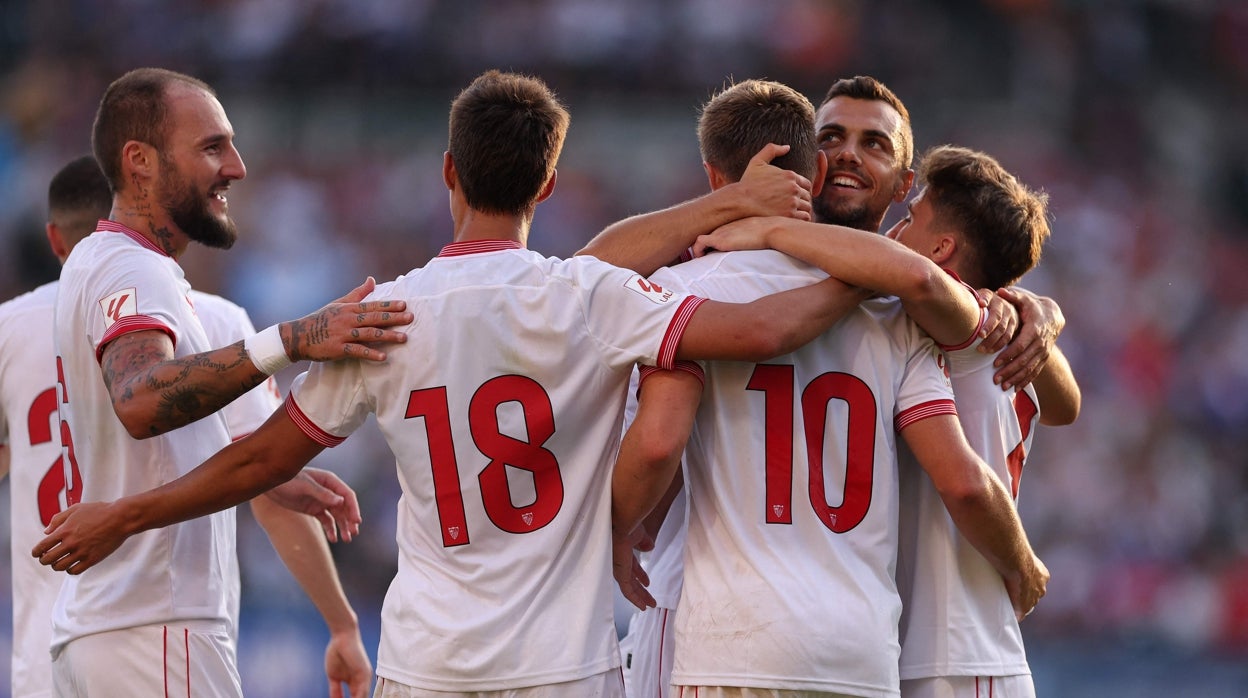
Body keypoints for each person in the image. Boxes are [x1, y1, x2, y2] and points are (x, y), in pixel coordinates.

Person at [32, 69, 858, 698]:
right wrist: (891, 274)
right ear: (547, 186)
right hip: (561, 666)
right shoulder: (589, 298)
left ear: (448, 174)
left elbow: (258, 463)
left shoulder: (383, 315)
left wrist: (129, 513)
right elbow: (763, 330)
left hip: (426, 666)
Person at [608, 77, 1048, 698]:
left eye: (873, 143)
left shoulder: (689, 287)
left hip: (733, 640)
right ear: (809, 168)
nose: (846, 154)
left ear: (903, 188)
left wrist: (618, 525)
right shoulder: (902, 315)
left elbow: (653, 439)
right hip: (836, 644)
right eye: (832, 137)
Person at [31, 67, 410, 697]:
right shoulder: (131, 265)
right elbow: (142, 399)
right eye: (212, 147)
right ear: (140, 163)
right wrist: (289, 340)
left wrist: (276, 475)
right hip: (155, 626)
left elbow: (210, 455)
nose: (235, 167)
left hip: (108, 626)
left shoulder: (126, 271)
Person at [699, 143, 1082, 698]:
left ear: (942, 249)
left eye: (909, 221)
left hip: (959, 652)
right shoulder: (976, 323)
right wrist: (1039, 311)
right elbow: (1066, 407)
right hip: (907, 650)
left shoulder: (972, 322)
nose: (893, 236)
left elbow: (969, 482)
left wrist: (766, 231)